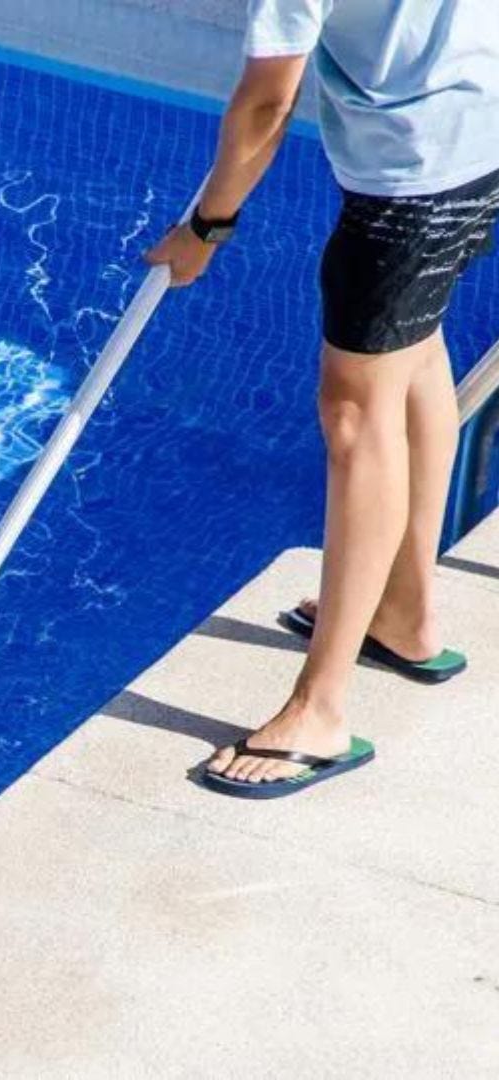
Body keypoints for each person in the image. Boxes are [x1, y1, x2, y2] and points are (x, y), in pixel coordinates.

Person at [146, 0, 499, 798]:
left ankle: (321, 709)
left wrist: (208, 227)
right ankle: (404, 614)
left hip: (414, 172)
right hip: (480, 128)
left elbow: (269, 102)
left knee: (353, 415)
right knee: (416, 351)